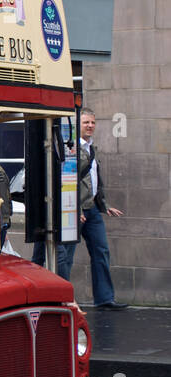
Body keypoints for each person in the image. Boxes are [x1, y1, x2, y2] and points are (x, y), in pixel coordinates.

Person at [66, 108, 127, 309]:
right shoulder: (71, 149)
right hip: (76, 210)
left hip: (91, 209)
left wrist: (104, 205)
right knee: (66, 256)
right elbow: (68, 181)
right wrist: (74, 207)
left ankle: (105, 299)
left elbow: (94, 181)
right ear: (77, 125)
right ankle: (64, 300)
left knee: (101, 251)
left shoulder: (92, 148)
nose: (90, 126)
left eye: (93, 122)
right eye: (86, 123)